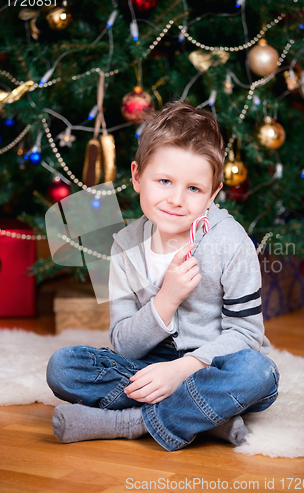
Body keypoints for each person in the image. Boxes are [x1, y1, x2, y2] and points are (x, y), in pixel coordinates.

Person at [46, 101, 279, 452]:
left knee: (257, 373)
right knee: (63, 368)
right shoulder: (124, 244)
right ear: (137, 176)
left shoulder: (230, 243)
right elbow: (123, 345)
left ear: (213, 193)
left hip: (212, 367)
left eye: (194, 189)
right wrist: (166, 299)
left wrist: (182, 370)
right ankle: (206, 416)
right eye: (165, 181)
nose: (176, 199)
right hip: (147, 366)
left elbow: (246, 334)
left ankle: (132, 423)